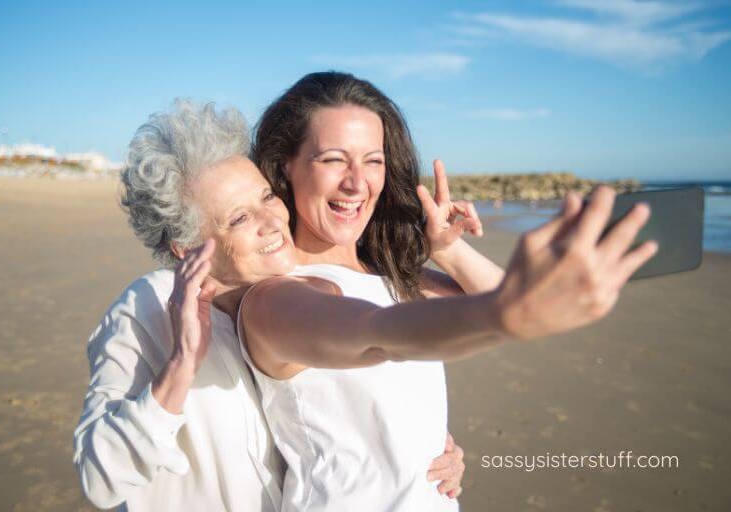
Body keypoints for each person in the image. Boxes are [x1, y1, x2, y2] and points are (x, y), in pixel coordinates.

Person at [237, 71, 658, 510]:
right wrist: (507, 311)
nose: (357, 183)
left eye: (374, 161)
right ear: (285, 164)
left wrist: (449, 250)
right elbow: (379, 333)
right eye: (333, 159)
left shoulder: (395, 277)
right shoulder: (277, 298)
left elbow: (497, 306)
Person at [72, 100, 466, 511]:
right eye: (240, 218)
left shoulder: (286, 292)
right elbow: (100, 480)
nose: (272, 221)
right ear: (187, 246)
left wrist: (423, 450)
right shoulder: (144, 309)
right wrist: (181, 366)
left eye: (267, 197)